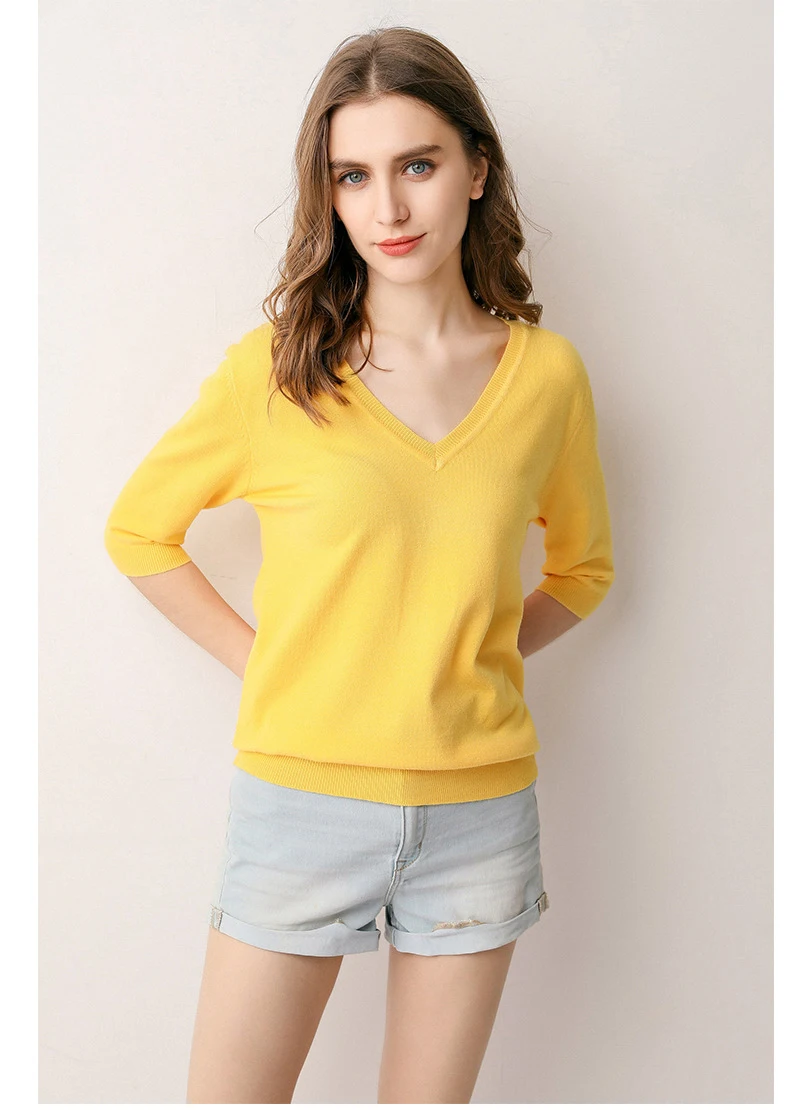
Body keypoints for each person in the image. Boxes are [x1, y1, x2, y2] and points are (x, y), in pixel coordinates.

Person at [103, 25, 615, 1105]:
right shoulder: (278, 372)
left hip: (479, 818)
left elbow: (583, 571)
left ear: (476, 170)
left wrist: (461, 652)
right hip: (299, 804)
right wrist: (272, 662)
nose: (388, 207)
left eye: (417, 164)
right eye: (353, 175)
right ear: (328, 194)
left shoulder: (547, 378)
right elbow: (138, 533)